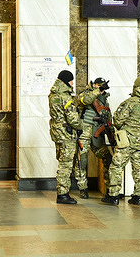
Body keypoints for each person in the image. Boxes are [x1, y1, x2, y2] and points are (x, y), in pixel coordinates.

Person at [102, 77, 140, 206]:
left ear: (136, 88)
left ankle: (113, 196)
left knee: (116, 167)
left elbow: (118, 120)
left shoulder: (129, 103)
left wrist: (126, 127)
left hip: (126, 140)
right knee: (139, 168)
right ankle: (138, 196)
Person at [74, 77, 113, 199]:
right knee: (82, 160)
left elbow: (107, 116)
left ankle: (109, 189)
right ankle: (83, 188)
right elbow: (86, 100)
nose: (101, 90)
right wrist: (97, 91)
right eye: (99, 86)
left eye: (102, 87)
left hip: (97, 134)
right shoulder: (85, 94)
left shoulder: (103, 99)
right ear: (94, 85)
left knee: (108, 158)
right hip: (84, 132)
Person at [48, 70, 82, 204]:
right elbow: (72, 119)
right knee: (66, 165)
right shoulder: (65, 97)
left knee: (62, 161)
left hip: (57, 132)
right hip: (67, 134)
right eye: (71, 80)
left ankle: (62, 192)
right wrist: (81, 126)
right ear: (67, 81)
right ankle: (62, 194)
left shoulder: (52, 95)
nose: (73, 83)